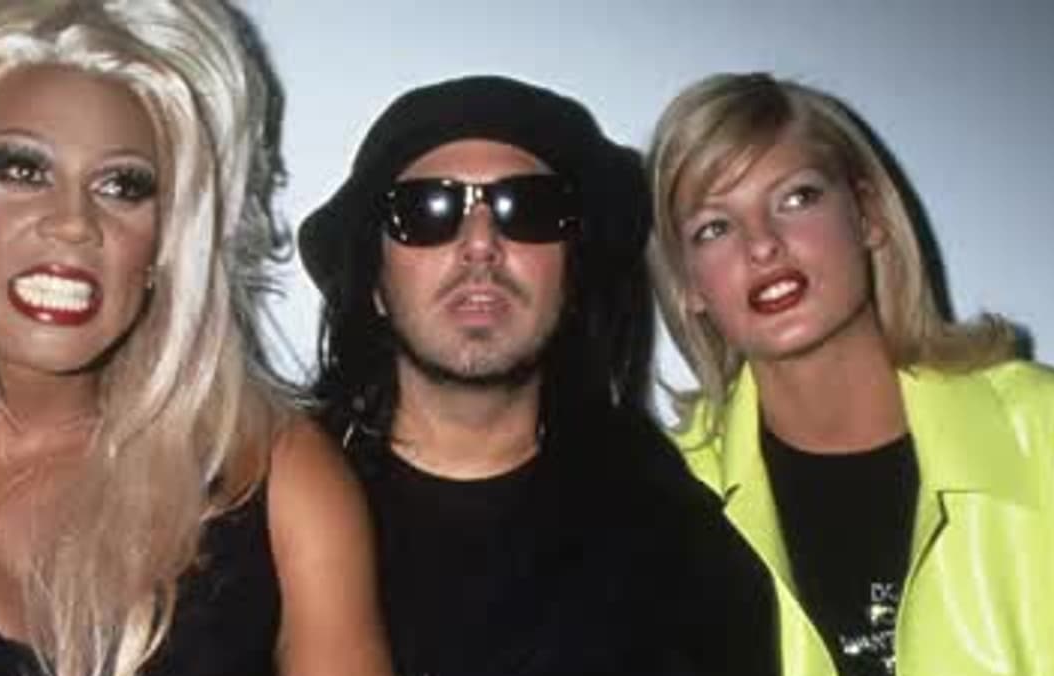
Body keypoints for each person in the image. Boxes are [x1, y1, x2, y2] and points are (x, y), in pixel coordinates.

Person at [0, 2, 389, 676]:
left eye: (122, 185)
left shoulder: (278, 480)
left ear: (168, 239)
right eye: (22, 170)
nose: (73, 223)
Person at [648, 72, 1054, 675]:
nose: (762, 245)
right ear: (688, 285)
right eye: (714, 227)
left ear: (868, 214)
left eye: (796, 198)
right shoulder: (667, 496)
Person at [301, 74, 776, 676]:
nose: (480, 244)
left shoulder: (681, 548)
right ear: (373, 282)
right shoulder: (273, 514)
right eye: (426, 212)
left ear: (573, 274)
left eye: (528, 209)